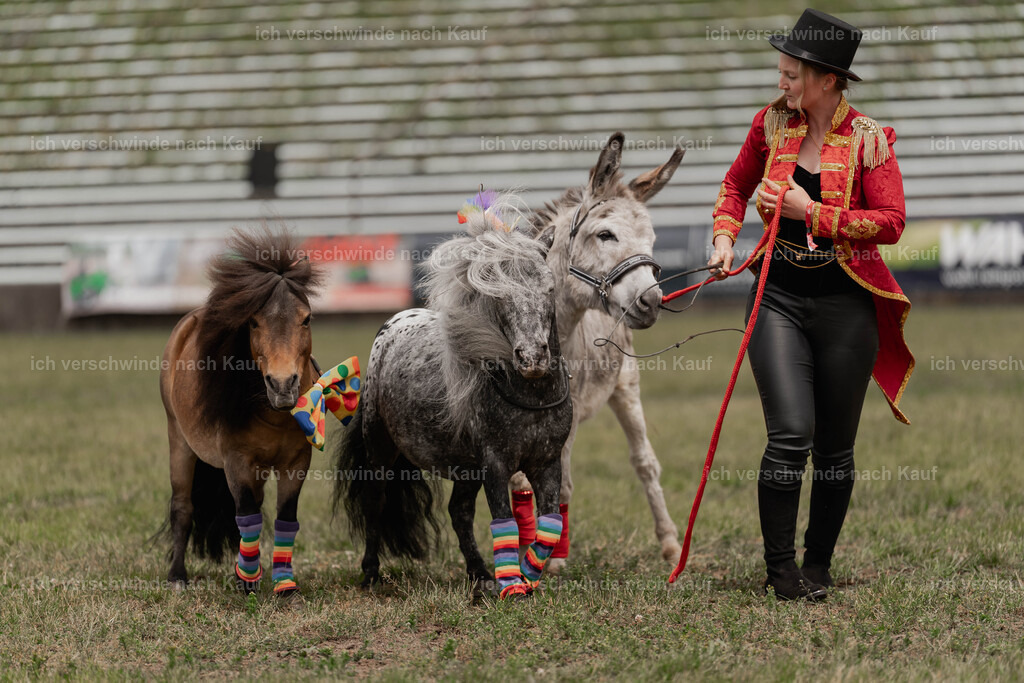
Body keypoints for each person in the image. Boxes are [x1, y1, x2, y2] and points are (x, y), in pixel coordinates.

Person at [707, 8, 915, 601]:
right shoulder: (770, 125)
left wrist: (813, 213)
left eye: (792, 75)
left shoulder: (870, 139)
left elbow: (892, 223)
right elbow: (733, 188)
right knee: (791, 434)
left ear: (827, 79)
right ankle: (780, 573)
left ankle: (817, 565)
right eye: (781, 72)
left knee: (834, 449)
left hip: (847, 305)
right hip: (777, 297)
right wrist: (724, 238)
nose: (782, 84)